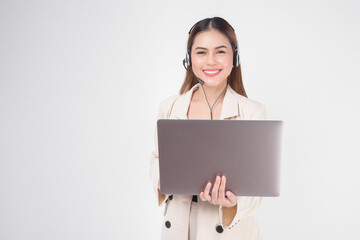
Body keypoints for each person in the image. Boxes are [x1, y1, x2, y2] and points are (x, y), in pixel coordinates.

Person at [150, 17, 267, 240]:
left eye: (220, 52)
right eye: (201, 52)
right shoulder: (169, 107)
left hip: (228, 232)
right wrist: (162, 178)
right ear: (188, 59)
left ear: (235, 57)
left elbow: (258, 185)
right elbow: (156, 158)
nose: (210, 61)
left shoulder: (252, 112)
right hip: (179, 226)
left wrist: (233, 203)